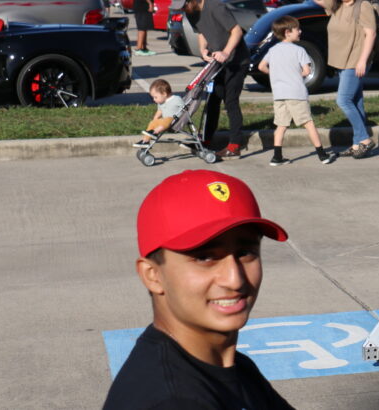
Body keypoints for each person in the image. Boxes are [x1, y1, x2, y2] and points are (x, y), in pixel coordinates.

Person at [102, 169, 293, 409]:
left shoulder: (232, 367)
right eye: (204, 258)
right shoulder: (172, 401)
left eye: (245, 253)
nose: (234, 280)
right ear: (152, 275)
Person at [170, 0, 249, 159]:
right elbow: (201, 32)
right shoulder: (191, 12)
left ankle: (235, 145)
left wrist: (226, 52)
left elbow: (237, 31)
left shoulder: (216, 7)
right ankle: (205, 140)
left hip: (237, 61)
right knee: (213, 101)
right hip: (218, 62)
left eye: (184, 4)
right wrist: (203, 49)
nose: (183, 9)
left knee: (231, 101)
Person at [309, 0, 378, 159]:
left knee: (343, 100)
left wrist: (362, 60)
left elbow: (370, 34)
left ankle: (364, 139)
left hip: (356, 61)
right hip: (342, 61)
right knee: (355, 101)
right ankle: (357, 145)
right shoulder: (335, 6)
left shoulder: (362, 6)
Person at [257, 16, 334, 166]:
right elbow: (306, 71)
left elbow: (261, 67)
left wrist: (275, 74)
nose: (300, 31)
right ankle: (322, 155)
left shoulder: (272, 50)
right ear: (287, 32)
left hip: (279, 94)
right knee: (308, 123)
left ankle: (277, 157)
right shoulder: (300, 50)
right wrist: (295, 74)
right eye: (297, 29)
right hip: (296, 93)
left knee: (281, 125)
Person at [132, 79, 184, 148]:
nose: (154, 99)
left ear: (164, 94)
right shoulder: (161, 102)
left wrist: (180, 116)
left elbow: (184, 108)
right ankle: (145, 141)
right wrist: (155, 120)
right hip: (164, 122)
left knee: (168, 119)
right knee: (152, 123)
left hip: (175, 120)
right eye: (153, 97)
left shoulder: (176, 99)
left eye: (155, 97)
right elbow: (159, 111)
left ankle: (155, 132)